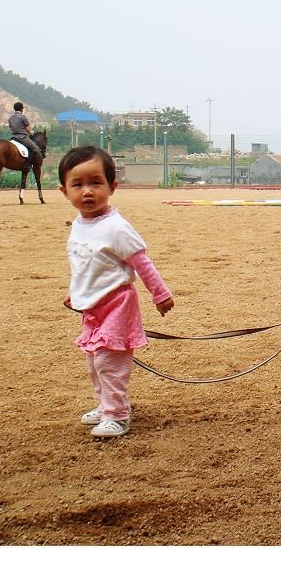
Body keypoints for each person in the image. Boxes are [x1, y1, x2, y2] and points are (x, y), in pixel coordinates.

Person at [59, 145, 174, 438]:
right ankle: (107, 404)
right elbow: (86, 264)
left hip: (117, 306)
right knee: (94, 363)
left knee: (109, 362)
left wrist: (160, 294)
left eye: (95, 183)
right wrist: (77, 293)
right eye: (78, 185)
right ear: (64, 191)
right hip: (92, 309)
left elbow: (142, 263)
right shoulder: (79, 225)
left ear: (112, 187)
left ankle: (117, 415)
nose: (87, 192)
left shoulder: (116, 227)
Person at [8, 102, 41, 172]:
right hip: (22, 137)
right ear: (21, 109)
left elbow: (11, 127)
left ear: (14, 109)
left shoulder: (10, 118)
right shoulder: (23, 117)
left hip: (13, 137)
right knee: (36, 149)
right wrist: (31, 132)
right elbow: (28, 128)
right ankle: (27, 165)